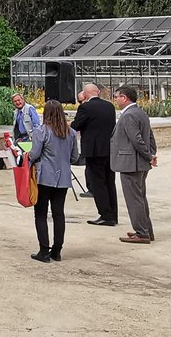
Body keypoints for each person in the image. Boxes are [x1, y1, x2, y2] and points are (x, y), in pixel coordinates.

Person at [28, 100, 80, 262]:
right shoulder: (70, 132)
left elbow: (34, 154)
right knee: (59, 214)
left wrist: (27, 156)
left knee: (41, 214)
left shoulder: (41, 131)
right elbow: (75, 157)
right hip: (63, 177)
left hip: (45, 176)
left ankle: (44, 250)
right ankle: (57, 250)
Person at [111, 86, 157, 244]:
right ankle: (146, 230)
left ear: (124, 98)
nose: (115, 99)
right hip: (139, 163)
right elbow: (149, 136)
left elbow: (136, 139)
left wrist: (149, 155)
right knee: (140, 198)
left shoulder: (129, 115)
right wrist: (151, 154)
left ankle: (142, 233)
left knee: (134, 200)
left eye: (116, 96)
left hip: (131, 163)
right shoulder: (140, 112)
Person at [71, 83, 118, 226]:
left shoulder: (85, 107)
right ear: (98, 92)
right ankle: (113, 215)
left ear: (84, 95)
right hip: (109, 150)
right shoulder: (109, 106)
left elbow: (75, 126)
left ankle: (105, 215)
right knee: (110, 182)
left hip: (94, 151)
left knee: (98, 184)